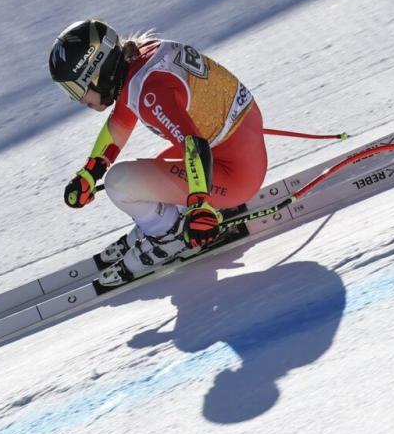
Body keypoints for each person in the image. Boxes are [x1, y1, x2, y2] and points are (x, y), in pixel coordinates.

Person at [48, 19, 268, 286]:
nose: (79, 100)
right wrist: (90, 172)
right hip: (240, 150)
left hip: (235, 175)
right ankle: (165, 219)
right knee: (156, 169)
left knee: (120, 183)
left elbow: (194, 145)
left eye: (76, 88)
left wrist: (200, 205)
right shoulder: (142, 61)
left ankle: (168, 237)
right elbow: (121, 121)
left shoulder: (149, 91)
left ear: (96, 72)